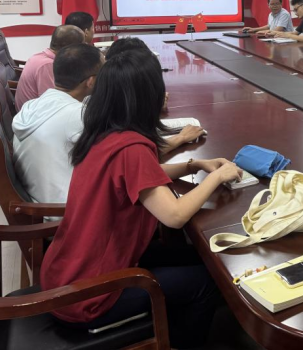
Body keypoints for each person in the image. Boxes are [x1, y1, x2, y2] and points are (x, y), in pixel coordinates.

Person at [41, 50, 242, 349]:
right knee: (208, 281)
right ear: (146, 97)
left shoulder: (104, 135)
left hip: (67, 275)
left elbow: (142, 175)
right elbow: (175, 215)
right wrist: (217, 177)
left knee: (201, 258)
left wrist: (195, 165)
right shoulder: (131, 148)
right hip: (89, 297)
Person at [13, 44, 104, 205]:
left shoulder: (32, 106)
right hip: (64, 210)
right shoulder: (78, 116)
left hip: (39, 198)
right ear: (90, 81)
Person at [104, 37, 205, 151]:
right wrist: (181, 138)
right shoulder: (111, 125)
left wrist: (150, 104)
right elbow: (141, 152)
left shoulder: (109, 99)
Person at [15, 25, 84, 111]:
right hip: (34, 116)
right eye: (82, 46)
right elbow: (52, 102)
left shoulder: (40, 57)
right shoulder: (47, 65)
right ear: (70, 48)